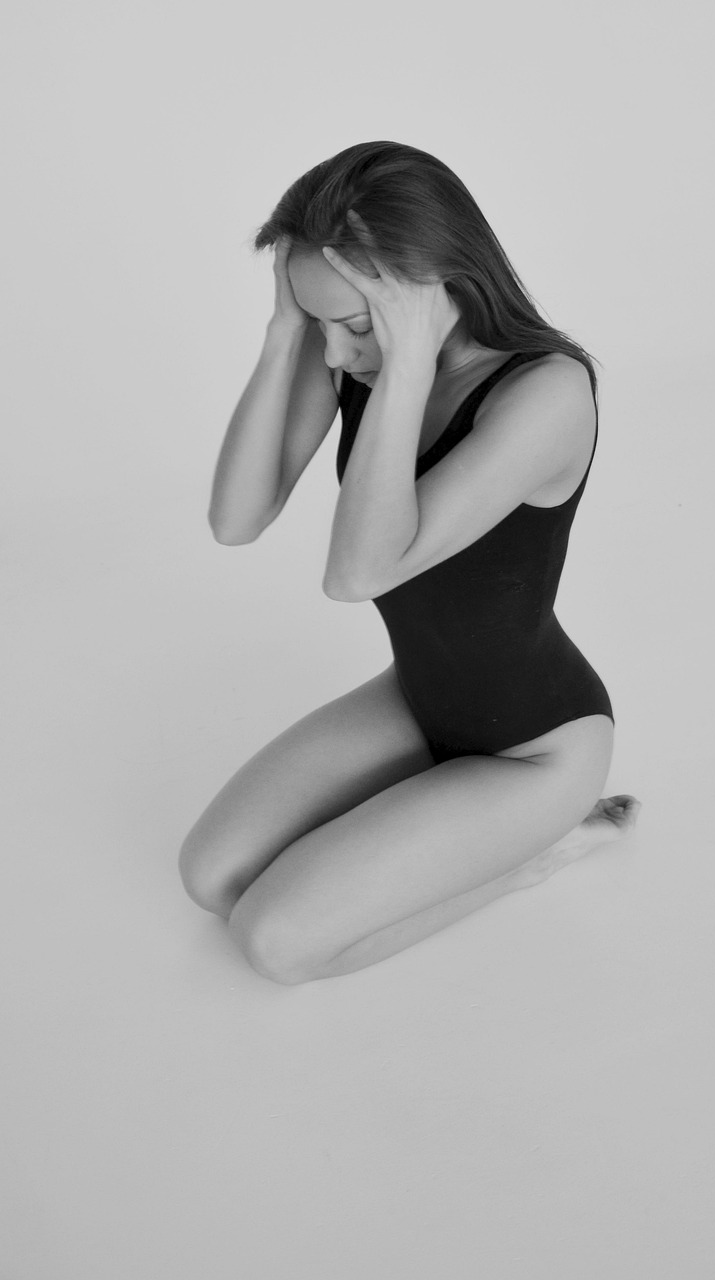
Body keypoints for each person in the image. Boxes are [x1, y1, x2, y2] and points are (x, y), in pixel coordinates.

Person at [178, 140, 640, 984]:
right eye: (318, 322)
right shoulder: (358, 361)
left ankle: (538, 853)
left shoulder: (546, 393)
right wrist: (286, 332)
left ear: (437, 290)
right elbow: (236, 520)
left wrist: (409, 364)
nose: (336, 354)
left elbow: (358, 574)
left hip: (533, 753)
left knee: (277, 944)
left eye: (356, 325)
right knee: (212, 879)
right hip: (419, 703)